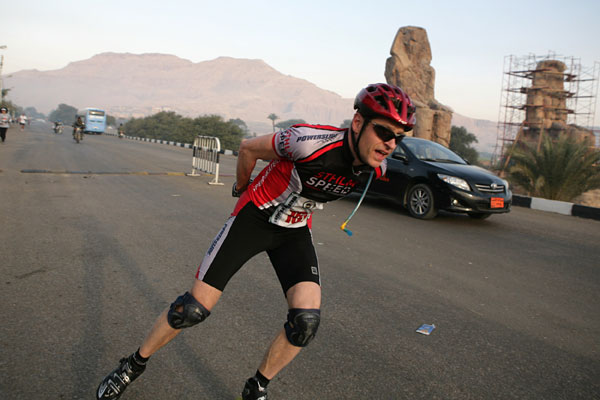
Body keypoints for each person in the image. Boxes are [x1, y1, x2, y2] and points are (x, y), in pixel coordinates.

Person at [95, 83, 416, 400]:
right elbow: (248, 148)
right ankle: (132, 365)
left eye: (398, 138)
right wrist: (241, 186)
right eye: (384, 133)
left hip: (294, 229)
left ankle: (257, 388)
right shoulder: (308, 142)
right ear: (358, 123)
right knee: (192, 310)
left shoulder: (377, 165)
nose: (390, 144)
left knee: (305, 321)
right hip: (255, 218)